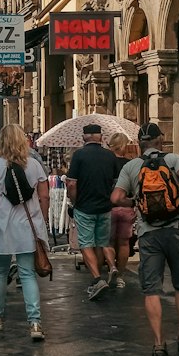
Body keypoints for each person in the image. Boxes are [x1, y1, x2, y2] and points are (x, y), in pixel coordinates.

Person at [111, 122, 179, 356]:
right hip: (178, 229)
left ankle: (159, 343)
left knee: (151, 290)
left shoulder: (131, 166)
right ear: (161, 140)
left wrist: (135, 202)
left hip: (149, 234)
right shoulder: (174, 159)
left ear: (140, 144)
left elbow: (116, 197)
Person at [0, 124, 49, 340]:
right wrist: (42, 218)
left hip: (2, 225)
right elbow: (44, 196)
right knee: (27, 274)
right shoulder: (35, 165)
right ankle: (35, 323)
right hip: (28, 227)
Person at [67, 122, 120, 298]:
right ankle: (104, 273)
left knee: (85, 244)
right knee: (101, 243)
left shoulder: (79, 156)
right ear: (101, 137)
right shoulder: (110, 156)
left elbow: (72, 183)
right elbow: (116, 182)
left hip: (85, 207)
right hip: (105, 207)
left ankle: (97, 279)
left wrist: (74, 201)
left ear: (84, 137)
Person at [107, 133, 138, 285]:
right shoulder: (130, 164)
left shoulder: (106, 163)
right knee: (124, 243)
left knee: (109, 241)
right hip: (127, 206)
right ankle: (120, 276)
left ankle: (111, 268)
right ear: (123, 146)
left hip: (109, 208)